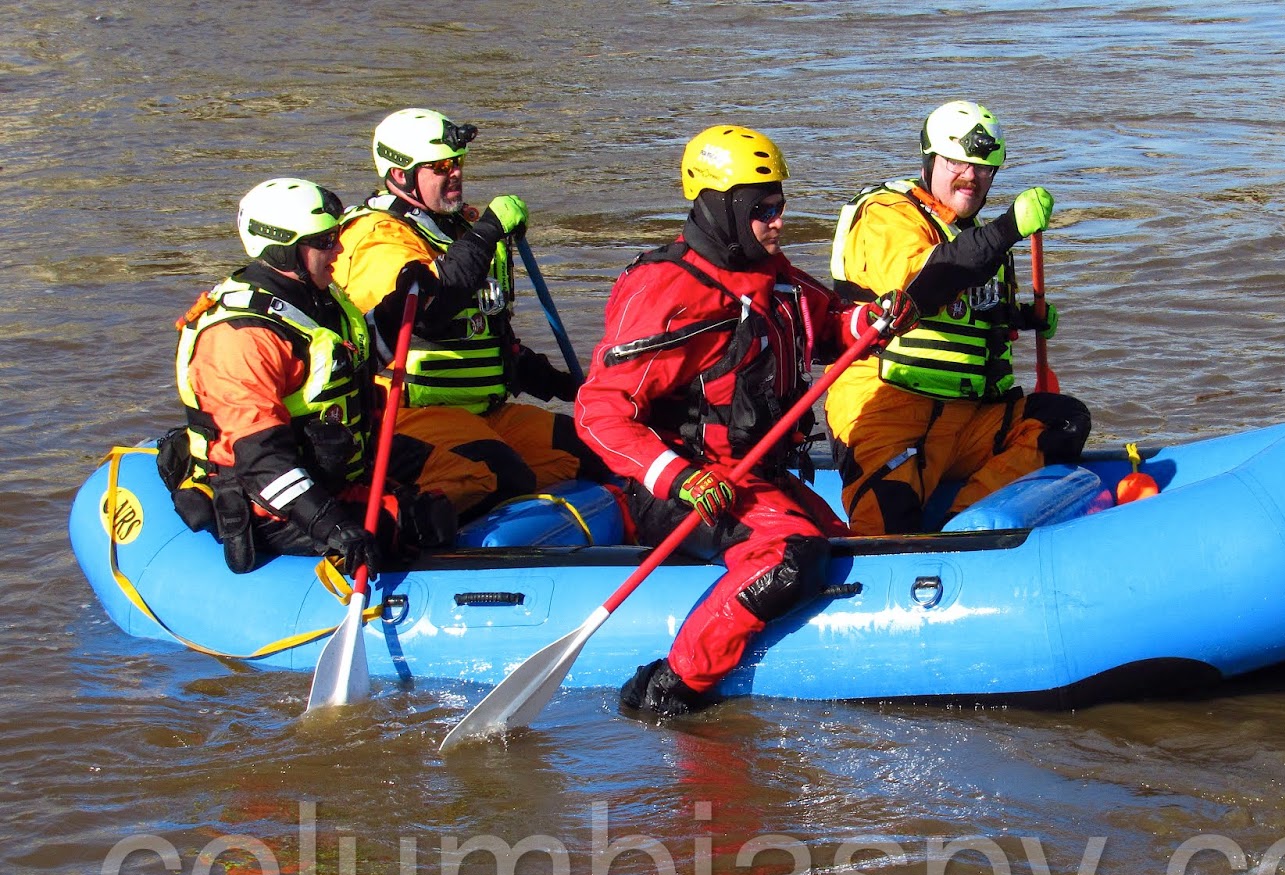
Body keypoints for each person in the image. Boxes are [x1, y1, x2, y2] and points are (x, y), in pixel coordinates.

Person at [575, 125, 917, 717]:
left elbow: (829, 326)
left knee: (848, 547)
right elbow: (599, 412)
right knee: (793, 557)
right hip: (685, 489)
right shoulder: (668, 289)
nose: (778, 221)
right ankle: (670, 687)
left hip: (754, 477)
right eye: (763, 210)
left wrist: (875, 320)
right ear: (721, 207)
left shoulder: (775, 277)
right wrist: (679, 477)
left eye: (780, 206)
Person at [824, 100, 1092, 535]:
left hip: (966, 420)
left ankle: (966, 527)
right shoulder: (886, 213)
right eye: (956, 163)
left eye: (983, 168)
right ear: (930, 161)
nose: (970, 176)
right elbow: (925, 283)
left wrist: (1023, 317)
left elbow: (972, 314)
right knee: (888, 528)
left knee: (1064, 419)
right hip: (887, 410)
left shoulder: (976, 238)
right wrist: (1008, 228)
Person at [333, 107, 607, 523]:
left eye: (458, 162)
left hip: (482, 411)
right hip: (410, 414)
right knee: (501, 476)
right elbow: (428, 312)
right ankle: (418, 521)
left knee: (600, 448)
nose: (456, 173)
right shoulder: (377, 238)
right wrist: (489, 231)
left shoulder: (458, 231)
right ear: (400, 174)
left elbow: (488, 337)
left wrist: (568, 386)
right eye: (441, 167)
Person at [169, 178, 453, 575]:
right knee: (426, 522)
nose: (338, 249)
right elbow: (261, 460)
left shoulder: (316, 297)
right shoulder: (241, 338)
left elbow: (353, 359)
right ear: (282, 249)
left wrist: (404, 303)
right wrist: (333, 527)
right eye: (324, 241)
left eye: (336, 236)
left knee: (481, 470)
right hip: (270, 501)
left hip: (337, 466)